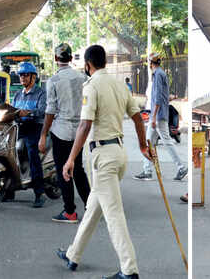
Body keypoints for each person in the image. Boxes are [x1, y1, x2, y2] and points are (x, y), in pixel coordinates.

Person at [56, 45, 151, 279]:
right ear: (105, 62)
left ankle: (129, 270)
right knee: (93, 209)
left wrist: (70, 159)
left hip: (103, 158)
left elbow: (85, 125)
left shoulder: (92, 85)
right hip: (118, 155)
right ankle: (73, 255)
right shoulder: (120, 85)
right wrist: (142, 145)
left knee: (114, 214)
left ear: (88, 65)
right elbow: (138, 117)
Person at [38, 43, 90, 223]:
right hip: (80, 131)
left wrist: (43, 134)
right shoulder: (83, 78)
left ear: (55, 59)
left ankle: (70, 212)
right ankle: (91, 208)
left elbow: (50, 110)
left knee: (64, 171)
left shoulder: (53, 81)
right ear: (70, 58)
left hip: (60, 131)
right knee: (79, 170)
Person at [134, 53, 188, 181]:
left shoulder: (158, 75)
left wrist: (153, 118)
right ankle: (147, 170)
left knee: (166, 141)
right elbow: (163, 96)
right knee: (149, 141)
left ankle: (181, 167)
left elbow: (158, 97)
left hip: (158, 115)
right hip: (159, 113)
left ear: (151, 63)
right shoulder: (161, 74)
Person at [11, 62, 46, 208]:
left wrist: (30, 112)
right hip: (19, 127)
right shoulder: (18, 94)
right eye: (21, 75)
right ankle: (8, 189)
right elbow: (12, 110)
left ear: (33, 77)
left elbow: (43, 110)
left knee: (32, 152)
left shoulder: (41, 93)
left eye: (26, 75)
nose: (22, 78)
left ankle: (39, 193)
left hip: (35, 127)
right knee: (9, 151)